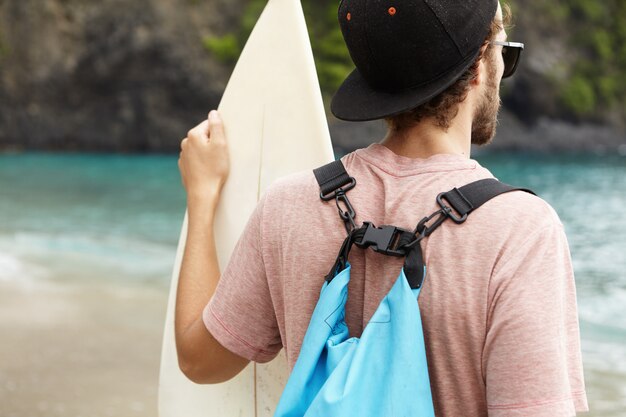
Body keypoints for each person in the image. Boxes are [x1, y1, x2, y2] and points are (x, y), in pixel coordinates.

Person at [175, 0, 589, 415]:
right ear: (481, 64)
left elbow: (200, 361)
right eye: (504, 51)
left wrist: (202, 198)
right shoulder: (520, 230)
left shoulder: (289, 206)